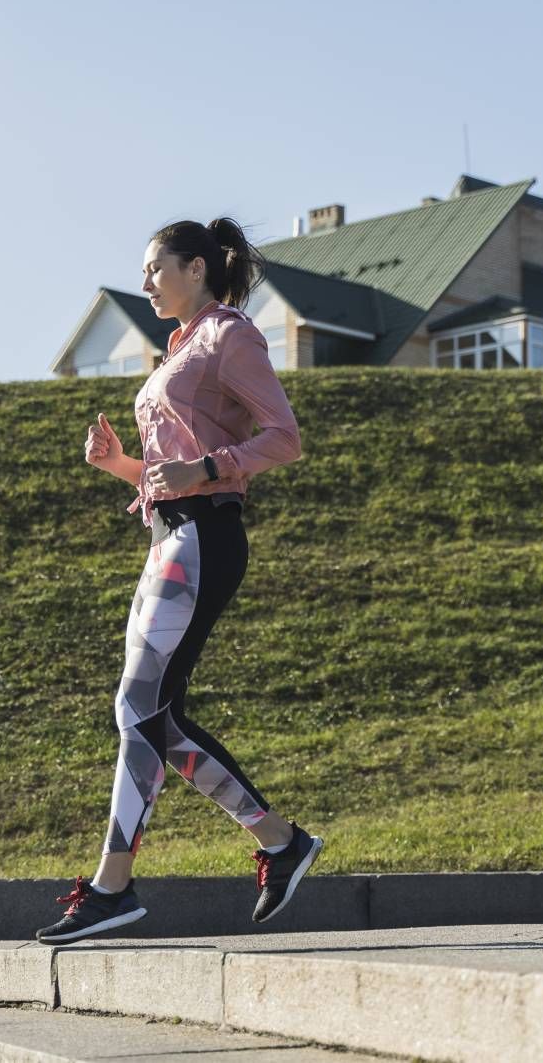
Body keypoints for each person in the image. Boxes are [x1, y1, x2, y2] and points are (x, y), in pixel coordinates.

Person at [34, 216, 323, 943]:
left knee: (136, 706)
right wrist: (120, 468)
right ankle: (279, 839)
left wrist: (207, 469)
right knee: (153, 720)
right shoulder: (179, 346)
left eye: (154, 269)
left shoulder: (231, 335)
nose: (145, 282)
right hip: (171, 537)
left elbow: (283, 438)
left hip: (203, 539)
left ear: (196, 267)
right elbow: (173, 472)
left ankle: (113, 887)